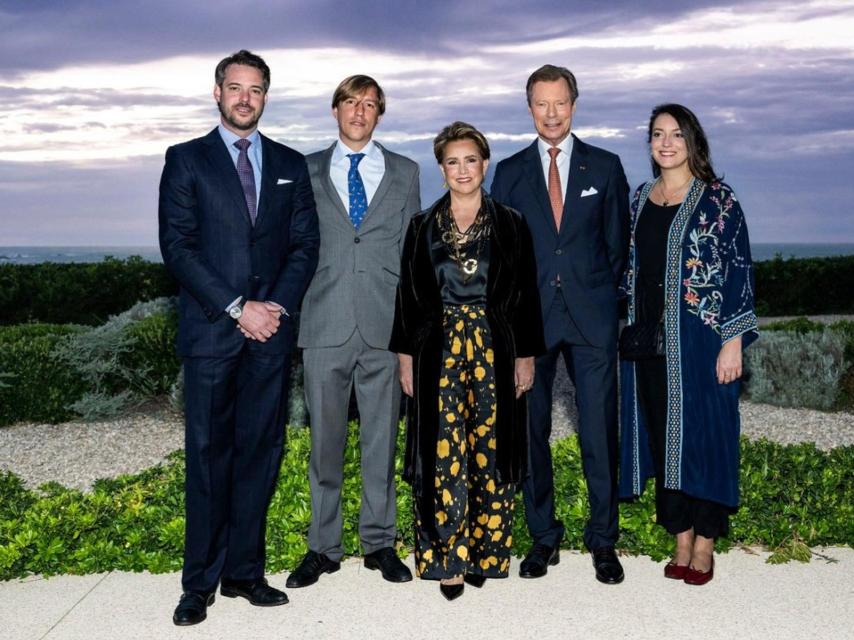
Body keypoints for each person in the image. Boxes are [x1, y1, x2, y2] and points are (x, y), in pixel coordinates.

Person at [158, 49, 319, 625]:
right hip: (210, 336)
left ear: (265, 97)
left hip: (269, 335)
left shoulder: (289, 164)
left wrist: (271, 307)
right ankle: (198, 583)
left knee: (259, 453)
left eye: (255, 89)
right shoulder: (186, 160)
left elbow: (304, 245)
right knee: (206, 458)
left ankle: (244, 573)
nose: (244, 98)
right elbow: (178, 247)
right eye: (235, 88)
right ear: (218, 92)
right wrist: (235, 308)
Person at [390, 122, 545, 600]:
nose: (463, 170)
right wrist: (405, 359)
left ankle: (486, 553)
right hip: (437, 351)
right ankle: (446, 559)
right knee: (443, 453)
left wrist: (525, 356)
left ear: (485, 163)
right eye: (452, 161)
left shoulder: (512, 223)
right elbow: (408, 298)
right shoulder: (421, 225)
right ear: (441, 168)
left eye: (471, 160)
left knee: (492, 451)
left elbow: (526, 295)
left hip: (495, 348)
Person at [490, 64, 630, 584]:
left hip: (591, 321)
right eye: (541, 104)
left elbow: (617, 248)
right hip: (530, 324)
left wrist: (593, 293)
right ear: (529, 108)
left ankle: (603, 541)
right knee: (531, 434)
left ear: (575, 103)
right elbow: (503, 252)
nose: (551, 113)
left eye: (560, 102)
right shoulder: (508, 171)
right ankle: (543, 537)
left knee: (598, 432)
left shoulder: (606, 166)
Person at [287, 75, 421, 588]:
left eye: (369, 104)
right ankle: (322, 548)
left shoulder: (406, 172)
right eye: (350, 102)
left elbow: (413, 259)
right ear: (335, 110)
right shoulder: (306, 170)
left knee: (381, 440)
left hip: (385, 325)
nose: (359, 111)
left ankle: (379, 543)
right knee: (325, 442)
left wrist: (411, 333)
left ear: (379, 114)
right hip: (323, 321)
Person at [618, 103, 758, 585]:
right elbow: (630, 269)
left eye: (676, 134)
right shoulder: (640, 199)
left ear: (692, 141)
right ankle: (679, 535)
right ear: (651, 144)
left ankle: (706, 541)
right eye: (658, 134)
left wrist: (733, 340)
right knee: (664, 438)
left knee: (707, 439)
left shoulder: (719, 199)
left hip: (703, 341)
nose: (667, 142)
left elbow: (739, 270)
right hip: (652, 343)